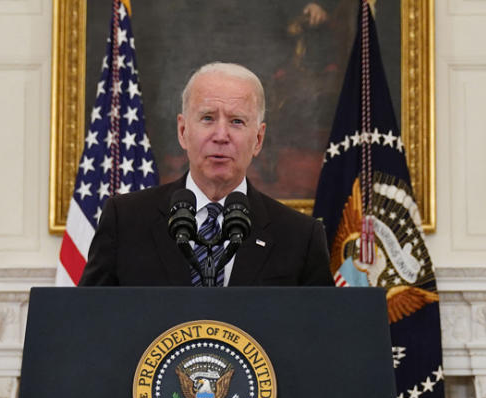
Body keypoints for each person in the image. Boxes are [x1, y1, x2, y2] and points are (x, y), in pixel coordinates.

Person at [78, 62, 332, 287]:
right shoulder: (125, 221)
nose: (221, 136)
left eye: (237, 122)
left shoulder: (300, 236)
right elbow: (89, 320)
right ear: (182, 130)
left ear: (258, 139)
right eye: (208, 118)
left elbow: (319, 332)